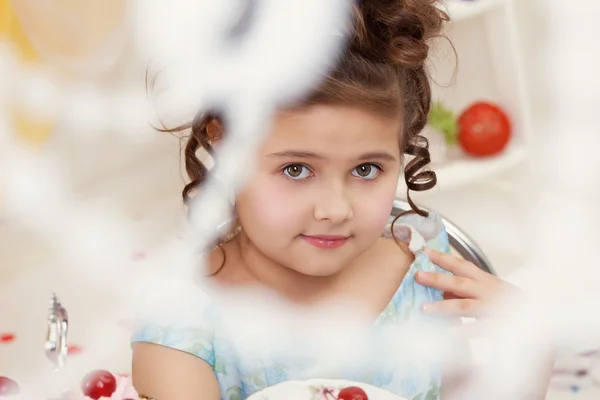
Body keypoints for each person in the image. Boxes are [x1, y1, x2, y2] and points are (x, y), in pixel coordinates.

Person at [130, 1, 530, 399]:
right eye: (296, 170)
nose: (335, 210)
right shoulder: (183, 314)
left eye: (366, 169)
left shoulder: (424, 274)